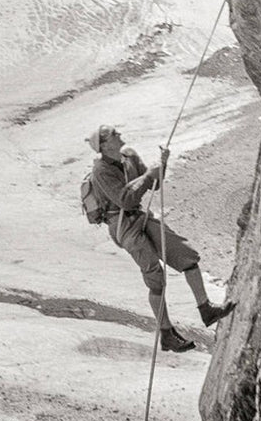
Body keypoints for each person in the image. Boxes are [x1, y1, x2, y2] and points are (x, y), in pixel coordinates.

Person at [87, 124, 234, 353]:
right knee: (155, 276)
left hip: (139, 216)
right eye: (115, 134)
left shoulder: (129, 156)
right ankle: (166, 334)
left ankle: (206, 308)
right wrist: (149, 175)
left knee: (186, 255)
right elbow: (124, 199)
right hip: (123, 224)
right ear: (104, 145)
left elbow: (154, 183)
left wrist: (161, 165)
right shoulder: (101, 171)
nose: (120, 136)